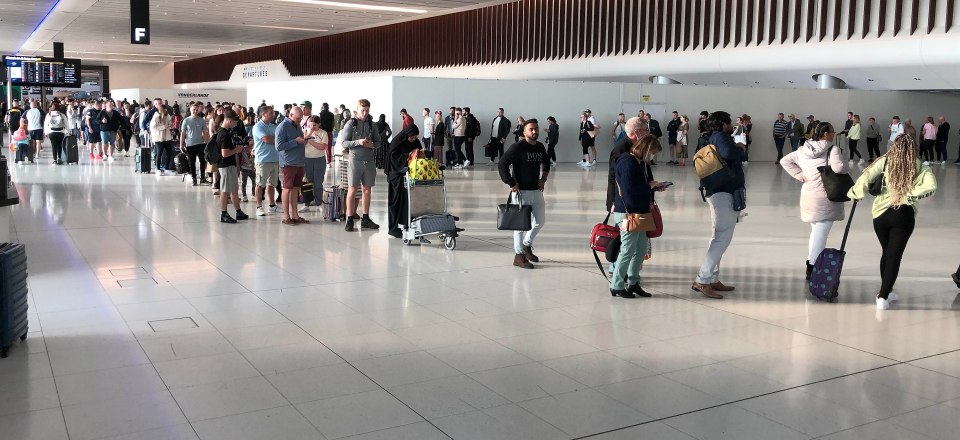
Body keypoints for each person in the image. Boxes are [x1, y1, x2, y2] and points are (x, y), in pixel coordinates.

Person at [848, 134, 937, 310]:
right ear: (914, 148)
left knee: (887, 252)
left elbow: (865, 178)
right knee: (894, 256)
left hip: (880, 215)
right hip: (903, 215)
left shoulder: (884, 162)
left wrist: (856, 194)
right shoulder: (919, 166)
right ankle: (882, 296)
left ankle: (887, 290)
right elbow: (930, 187)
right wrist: (907, 196)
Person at [779, 122, 848, 280]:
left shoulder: (803, 150)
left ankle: (812, 264)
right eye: (832, 131)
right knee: (820, 233)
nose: (833, 134)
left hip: (809, 195)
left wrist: (800, 175)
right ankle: (812, 266)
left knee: (816, 232)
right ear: (825, 134)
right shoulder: (833, 149)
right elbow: (838, 169)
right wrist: (846, 167)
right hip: (826, 197)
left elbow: (785, 161)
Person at [692, 111, 745, 300]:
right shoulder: (721, 136)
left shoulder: (709, 137)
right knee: (722, 237)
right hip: (724, 192)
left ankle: (712, 278)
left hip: (717, 191)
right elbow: (728, 152)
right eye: (729, 122)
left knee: (718, 236)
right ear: (723, 123)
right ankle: (703, 279)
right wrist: (739, 147)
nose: (731, 125)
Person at [610, 134, 663, 299]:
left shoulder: (639, 163)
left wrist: (653, 187)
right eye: (652, 152)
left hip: (639, 213)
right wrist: (649, 186)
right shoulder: (627, 162)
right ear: (645, 149)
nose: (652, 156)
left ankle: (633, 282)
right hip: (628, 214)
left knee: (639, 250)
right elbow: (629, 191)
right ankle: (616, 285)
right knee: (627, 250)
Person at [499, 119, 549, 269]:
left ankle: (527, 245)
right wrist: (511, 183)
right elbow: (502, 164)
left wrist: (543, 179)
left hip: (536, 191)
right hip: (521, 192)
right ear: (524, 132)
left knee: (540, 221)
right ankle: (518, 255)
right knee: (520, 226)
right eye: (531, 129)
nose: (534, 132)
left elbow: (546, 162)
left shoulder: (540, 147)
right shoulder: (518, 147)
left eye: (536, 129)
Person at [338, 99, 382, 231]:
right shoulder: (351, 124)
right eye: (363, 110)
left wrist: (372, 145)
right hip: (355, 161)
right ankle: (349, 218)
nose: (365, 113)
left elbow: (379, 142)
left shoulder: (372, 125)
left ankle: (366, 218)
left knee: (367, 190)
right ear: (357, 110)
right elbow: (344, 143)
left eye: (367, 110)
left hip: (369, 161)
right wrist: (358, 142)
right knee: (352, 190)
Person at [387, 125, 423, 239]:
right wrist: (409, 155)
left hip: (410, 177)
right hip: (397, 177)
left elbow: (420, 155)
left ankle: (410, 226)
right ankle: (393, 229)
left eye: (415, 137)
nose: (413, 139)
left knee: (410, 203)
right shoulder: (397, 142)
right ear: (407, 134)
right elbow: (394, 158)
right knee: (396, 203)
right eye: (412, 137)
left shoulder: (415, 142)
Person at [275, 106, 310, 225]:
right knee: (287, 188)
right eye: (298, 118)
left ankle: (295, 215)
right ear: (291, 115)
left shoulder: (297, 125)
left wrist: (302, 141)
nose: (300, 120)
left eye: (301, 118)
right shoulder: (282, 127)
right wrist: (295, 141)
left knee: (296, 189)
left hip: (299, 161)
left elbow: (298, 140)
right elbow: (279, 147)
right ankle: (286, 216)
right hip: (288, 162)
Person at [214, 110, 249, 224]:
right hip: (226, 165)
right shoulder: (223, 134)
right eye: (235, 122)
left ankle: (238, 211)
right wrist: (236, 150)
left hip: (230, 164)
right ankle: (223, 214)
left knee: (234, 189)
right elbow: (224, 153)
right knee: (225, 191)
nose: (236, 124)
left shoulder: (226, 132)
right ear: (229, 121)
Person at [252, 106, 280, 217]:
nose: (273, 115)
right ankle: (259, 206)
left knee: (272, 184)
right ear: (263, 114)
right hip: (263, 160)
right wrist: (278, 140)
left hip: (275, 159)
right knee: (260, 184)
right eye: (271, 113)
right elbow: (266, 139)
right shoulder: (258, 127)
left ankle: (272, 206)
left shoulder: (274, 126)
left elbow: (278, 138)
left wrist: (276, 139)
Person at [303, 115, 328, 210]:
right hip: (307, 159)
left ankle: (319, 202)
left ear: (319, 125)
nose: (313, 127)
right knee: (307, 182)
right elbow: (302, 144)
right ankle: (306, 204)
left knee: (318, 183)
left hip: (319, 159)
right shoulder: (305, 131)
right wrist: (309, 134)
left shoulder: (323, 133)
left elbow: (322, 147)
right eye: (311, 125)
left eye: (315, 125)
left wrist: (310, 142)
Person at [180, 103, 209, 186]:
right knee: (191, 162)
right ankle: (194, 178)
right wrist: (181, 144)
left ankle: (202, 177)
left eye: (197, 109)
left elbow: (205, 132)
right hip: (190, 144)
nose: (195, 111)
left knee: (202, 161)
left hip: (200, 144)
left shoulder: (202, 120)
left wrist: (206, 143)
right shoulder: (186, 120)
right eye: (194, 109)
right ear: (190, 110)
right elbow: (183, 133)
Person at [150, 104, 174, 175]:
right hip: (158, 138)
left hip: (167, 138)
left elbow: (170, 123)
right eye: (164, 110)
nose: (166, 111)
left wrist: (171, 125)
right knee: (159, 153)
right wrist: (164, 126)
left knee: (169, 153)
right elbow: (153, 128)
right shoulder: (156, 116)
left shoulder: (167, 115)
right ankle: (158, 169)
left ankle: (166, 168)